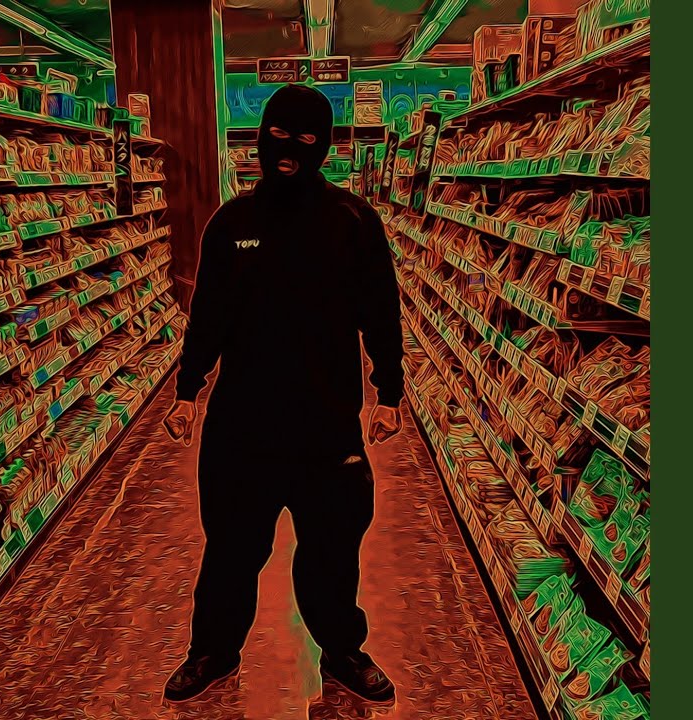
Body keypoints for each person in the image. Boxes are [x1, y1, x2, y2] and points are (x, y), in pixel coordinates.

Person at [161, 83, 404, 704]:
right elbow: (208, 316)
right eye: (277, 135)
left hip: (327, 425)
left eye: (305, 138)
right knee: (231, 551)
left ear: (324, 146)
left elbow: (381, 311)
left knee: (332, 552)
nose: (288, 149)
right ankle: (212, 650)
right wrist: (187, 390)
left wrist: (390, 390)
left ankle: (343, 650)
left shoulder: (353, 221)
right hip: (241, 428)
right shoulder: (231, 223)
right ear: (260, 137)